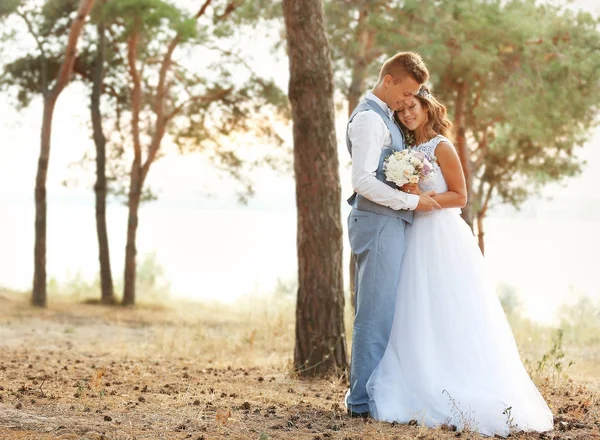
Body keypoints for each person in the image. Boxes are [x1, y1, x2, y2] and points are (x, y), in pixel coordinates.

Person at [366, 85, 554, 437]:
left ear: (426, 106)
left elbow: (461, 197)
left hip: (441, 235)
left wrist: (423, 197)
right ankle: (419, 371)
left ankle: (454, 375)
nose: (407, 114)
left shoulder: (441, 146)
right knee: (416, 305)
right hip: (413, 234)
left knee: (449, 306)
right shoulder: (404, 149)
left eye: (413, 107)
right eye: (402, 110)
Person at [345, 52, 441, 418]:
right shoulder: (370, 120)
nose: (407, 102)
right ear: (388, 81)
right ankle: (361, 405)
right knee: (375, 314)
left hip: (387, 223)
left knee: (384, 313)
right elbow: (363, 181)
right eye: (406, 93)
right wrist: (409, 202)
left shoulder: (385, 116)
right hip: (379, 223)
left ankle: (372, 396)